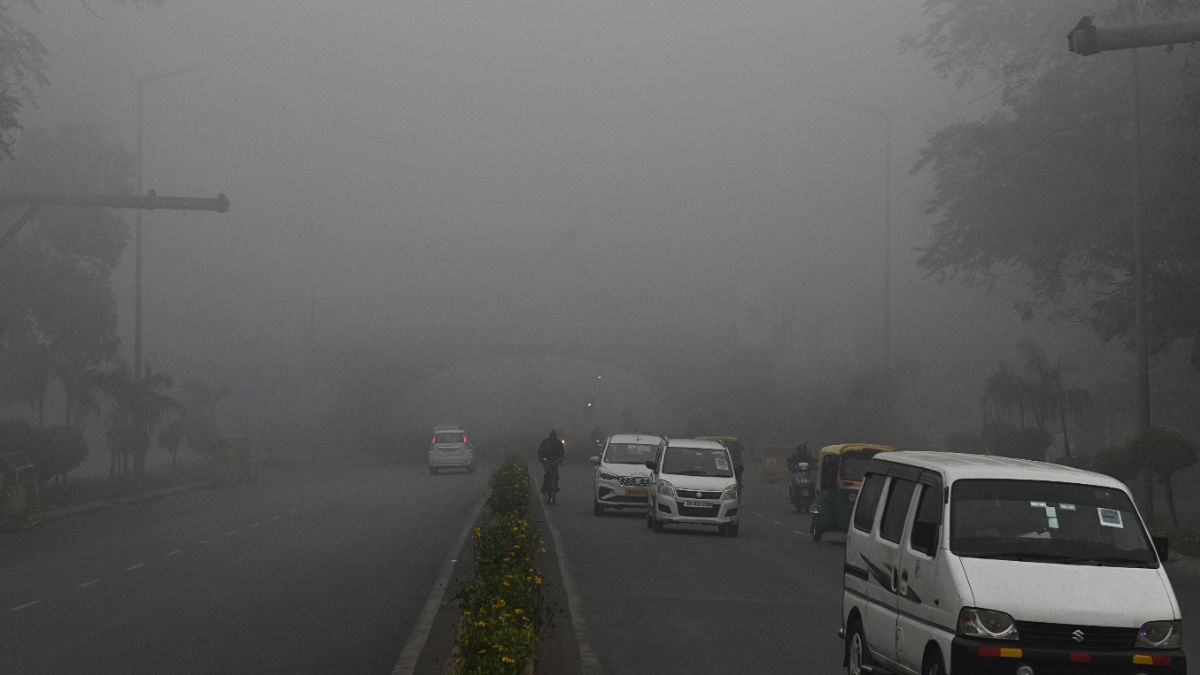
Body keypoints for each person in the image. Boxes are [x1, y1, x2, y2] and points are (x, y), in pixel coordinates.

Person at [538, 429, 564, 495]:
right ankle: (544, 487)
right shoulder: (545, 442)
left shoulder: (558, 442)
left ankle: (555, 486)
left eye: (554, 435)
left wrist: (560, 459)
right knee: (547, 473)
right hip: (546, 461)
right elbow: (540, 451)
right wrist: (541, 458)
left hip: (555, 461)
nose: (553, 437)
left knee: (556, 474)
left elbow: (562, 452)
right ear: (550, 435)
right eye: (552, 435)